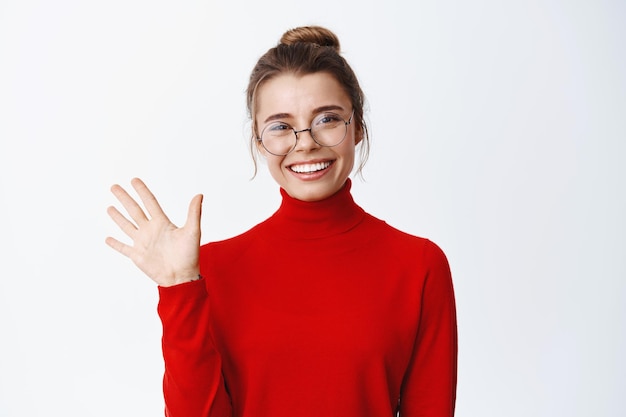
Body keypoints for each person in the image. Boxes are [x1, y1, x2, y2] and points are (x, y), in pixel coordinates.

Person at [106, 25, 457, 417]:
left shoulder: (419, 266)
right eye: (280, 126)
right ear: (259, 141)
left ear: (357, 127)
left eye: (327, 118)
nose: (305, 142)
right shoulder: (211, 270)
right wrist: (178, 288)